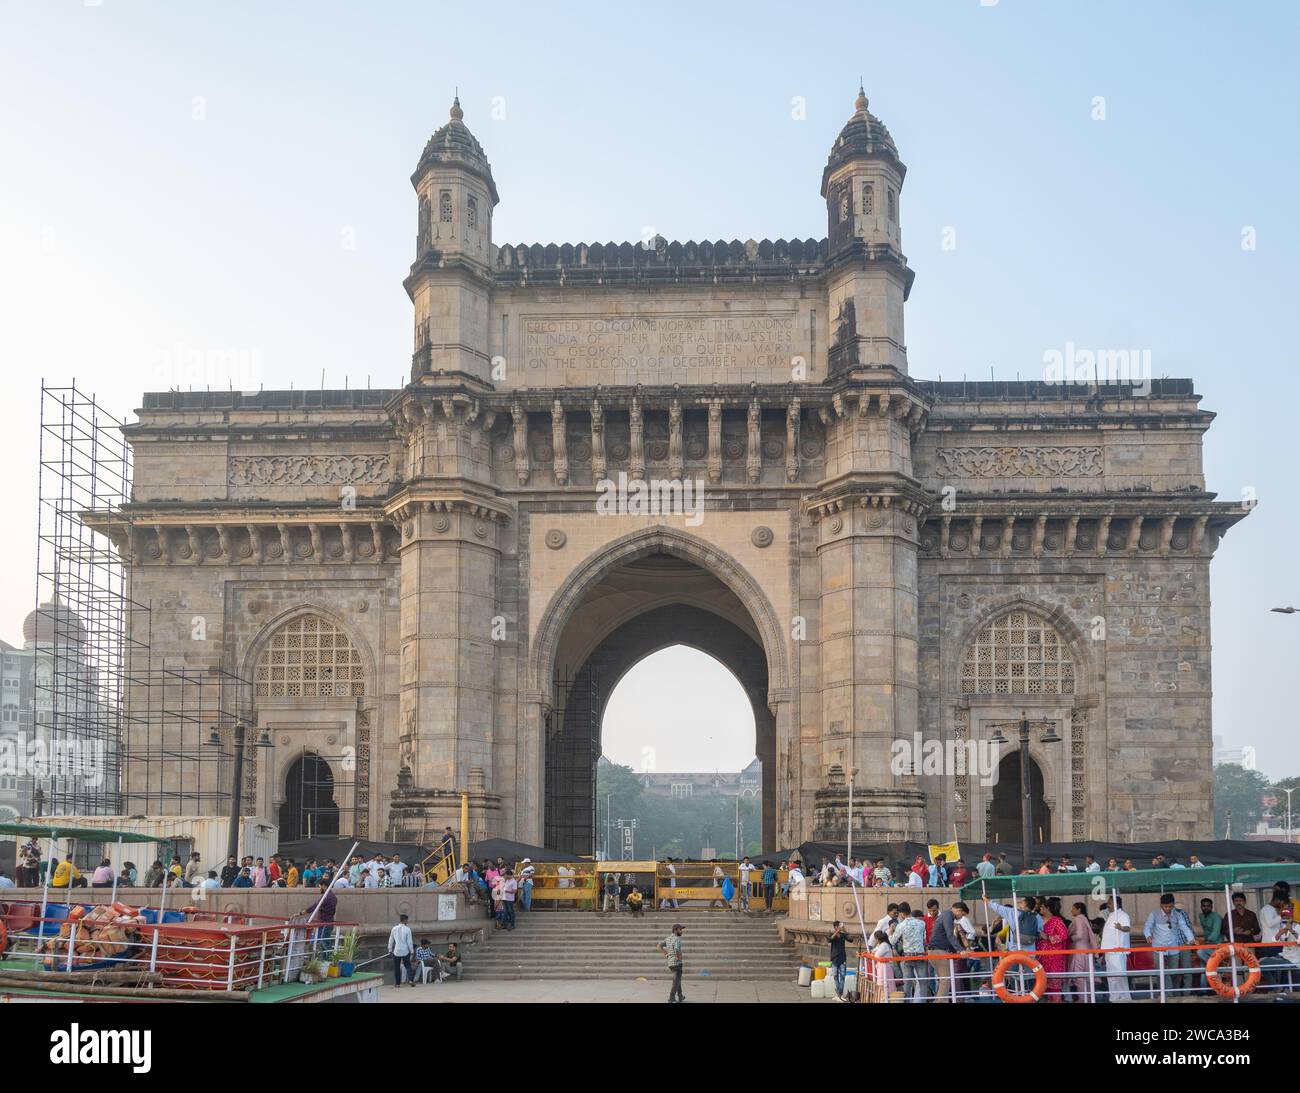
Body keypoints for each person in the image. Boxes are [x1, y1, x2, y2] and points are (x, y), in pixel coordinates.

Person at [1144, 893, 1196, 996]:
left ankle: (1175, 994)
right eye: (1165, 906)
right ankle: (1163, 994)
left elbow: (1184, 927)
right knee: (1160, 972)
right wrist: (1148, 936)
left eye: (1170, 906)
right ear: (1161, 905)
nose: (1168, 908)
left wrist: (1191, 939)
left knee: (1173, 973)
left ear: (1173, 905)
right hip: (1158, 948)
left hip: (1173, 948)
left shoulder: (1178, 914)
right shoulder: (1154, 914)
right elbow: (1147, 926)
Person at [887, 902, 930, 1002]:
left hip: (908, 957)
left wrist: (890, 932)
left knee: (907, 984)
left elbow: (892, 941)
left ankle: (907, 1001)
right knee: (923, 983)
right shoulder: (921, 923)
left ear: (902, 913)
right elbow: (924, 940)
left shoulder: (901, 925)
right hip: (920, 956)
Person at [1036, 896, 1070, 1001]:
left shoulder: (1057, 921)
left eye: (1042, 907)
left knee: (1054, 982)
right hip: (1041, 956)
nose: (1040, 909)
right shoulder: (1039, 920)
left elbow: (1064, 935)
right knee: (1042, 981)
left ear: (1048, 908)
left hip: (1054, 956)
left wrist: (1048, 937)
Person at [1101, 895, 1132, 1001]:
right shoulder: (1111, 915)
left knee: (1120, 975)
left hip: (1117, 951)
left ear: (1116, 904)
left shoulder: (1122, 915)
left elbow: (1127, 928)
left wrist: (1120, 927)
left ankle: (1125, 998)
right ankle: (1114, 997)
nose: (1107, 905)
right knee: (1111, 977)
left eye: (1109, 903)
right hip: (1109, 951)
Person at [1068, 901, 1098, 1000]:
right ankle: (1089, 998)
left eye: (1073, 908)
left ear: (1079, 910)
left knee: (1079, 976)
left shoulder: (1078, 919)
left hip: (1079, 950)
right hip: (1087, 950)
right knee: (1088, 976)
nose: (1071, 910)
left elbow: (1080, 935)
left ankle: (1083, 998)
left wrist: (1072, 937)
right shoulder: (1085, 919)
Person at [657, 923, 686, 1004]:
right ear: (676, 930)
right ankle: (671, 998)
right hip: (677, 963)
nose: (682, 931)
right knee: (676, 981)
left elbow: (659, 946)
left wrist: (666, 954)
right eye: (680, 929)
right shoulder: (677, 939)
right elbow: (677, 949)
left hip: (670, 963)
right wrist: (678, 957)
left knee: (677, 980)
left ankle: (680, 996)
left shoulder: (668, 938)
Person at [387, 913, 415, 987]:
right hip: (405, 950)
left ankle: (397, 983)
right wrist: (412, 950)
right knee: (408, 966)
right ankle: (411, 980)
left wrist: (390, 949)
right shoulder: (407, 929)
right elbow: (409, 941)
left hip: (397, 951)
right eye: (407, 920)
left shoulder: (394, 928)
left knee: (397, 968)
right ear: (405, 920)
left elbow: (391, 939)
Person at [828, 920, 850, 999]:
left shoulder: (843, 935)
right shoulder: (832, 934)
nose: (839, 927)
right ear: (835, 927)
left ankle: (839, 994)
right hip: (834, 958)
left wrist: (845, 930)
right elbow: (830, 939)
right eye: (838, 926)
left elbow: (851, 940)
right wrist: (837, 932)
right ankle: (839, 994)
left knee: (843, 976)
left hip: (842, 958)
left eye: (840, 926)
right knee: (835, 976)